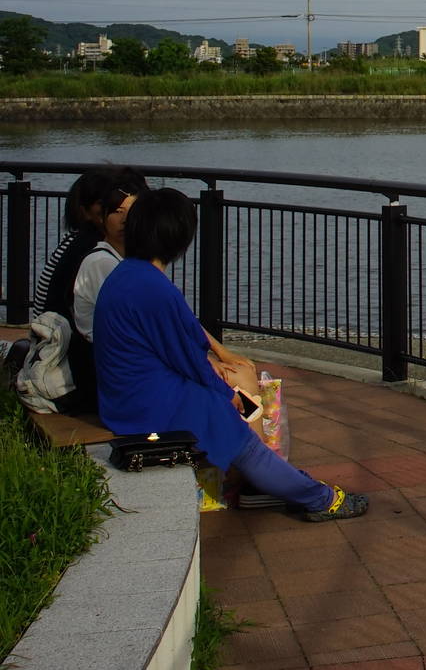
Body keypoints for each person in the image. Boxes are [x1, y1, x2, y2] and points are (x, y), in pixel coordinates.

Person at [94, 188, 368, 522]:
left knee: (230, 413)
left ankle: (288, 487)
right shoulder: (152, 287)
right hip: (147, 404)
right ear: (178, 237)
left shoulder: (127, 274)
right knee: (235, 430)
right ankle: (318, 498)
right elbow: (188, 357)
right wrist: (228, 395)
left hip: (127, 396)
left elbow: (182, 341)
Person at [27, 165, 148, 414]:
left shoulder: (82, 242)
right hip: (75, 363)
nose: (124, 216)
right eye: (115, 207)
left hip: (59, 346)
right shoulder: (97, 255)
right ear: (94, 212)